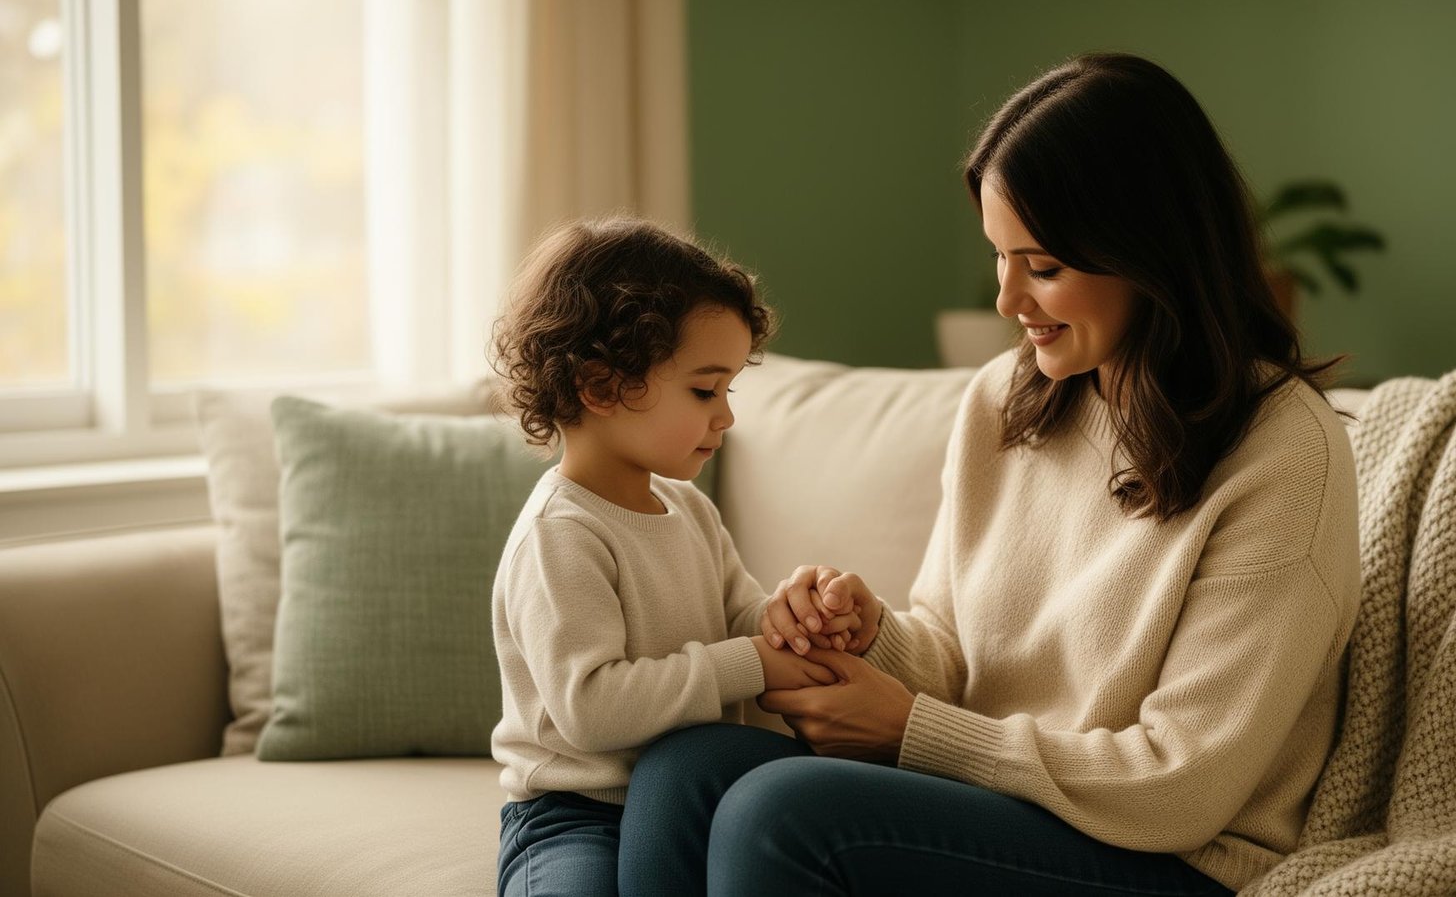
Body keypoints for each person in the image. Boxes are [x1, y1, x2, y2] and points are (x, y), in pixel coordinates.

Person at [617, 52, 1362, 897]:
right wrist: (867, 630)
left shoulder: (1284, 453)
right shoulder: (1006, 398)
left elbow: (1181, 784)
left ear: (1152, 255)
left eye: (1042, 267)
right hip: (1006, 803)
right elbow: (954, 654)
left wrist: (911, 731)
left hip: (1173, 858)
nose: (1009, 300)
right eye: (1000, 256)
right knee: (684, 769)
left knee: (777, 814)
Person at [486, 217, 864, 897]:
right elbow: (592, 710)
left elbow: (740, 616)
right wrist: (753, 661)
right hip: (575, 813)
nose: (726, 417)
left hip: (690, 802)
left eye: (728, 391)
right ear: (601, 386)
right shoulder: (561, 534)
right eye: (704, 390)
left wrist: (793, 618)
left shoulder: (688, 508)